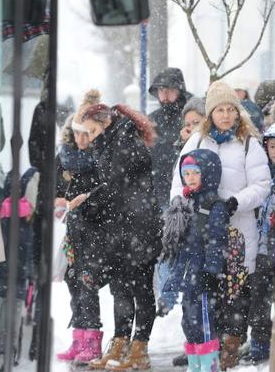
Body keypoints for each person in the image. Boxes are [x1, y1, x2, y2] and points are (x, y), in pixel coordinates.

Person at [170, 81, 270, 370]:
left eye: (230, 109)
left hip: (237, 228)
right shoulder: (198, 141)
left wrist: (235, 202)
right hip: (201, 229)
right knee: (205, 290)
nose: (225, 115)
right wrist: (182, 206)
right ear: (210, 114)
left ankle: (230, 345)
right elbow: (179, 179)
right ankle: (205, 345)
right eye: (219, 110)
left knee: (235, 292)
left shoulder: (249, 142)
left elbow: (262, 184)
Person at [79, 103, 162, 371]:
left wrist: (87, 200)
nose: (90, 138)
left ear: (105, 124)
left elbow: (117, 186)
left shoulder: (127, 141)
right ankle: (120, 343)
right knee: (120, 289)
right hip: (119, 228)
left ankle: (139, 348)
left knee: (139, 288)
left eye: (92, 131)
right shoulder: (108, 142)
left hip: (139, 228)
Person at [158, 149, 228, 372]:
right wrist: (169, 289)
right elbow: (179, 251)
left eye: (195, 172)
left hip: (204, 275)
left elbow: (216, 241)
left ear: (207, 173)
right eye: (186, 173)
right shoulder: (185, 206)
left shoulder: (213, 205)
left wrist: (211, 271)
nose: (190, 178)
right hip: (188, 274)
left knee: (204, 322)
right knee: (189, 322)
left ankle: (209, 366)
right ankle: (195, 365)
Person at [54, 89, 108, 365]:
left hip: (95, 227)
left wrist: (82, 201)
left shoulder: (99, 158)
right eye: (76, 133)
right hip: (75, 228)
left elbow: (102, 191)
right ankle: (79, 336)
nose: (80, 139)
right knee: (74, 281)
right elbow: (55, 185)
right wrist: (59, 199)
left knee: (88, 282)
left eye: (85, 133)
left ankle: (92, 339)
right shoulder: (67, 157)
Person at [242, 122, 275, 364]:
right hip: (261, 246)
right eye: (272, 146)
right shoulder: (261, 173)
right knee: (258, 298)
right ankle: (260, 342)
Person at [0, 167, 39, 369]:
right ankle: (1, 352)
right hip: (14, 271)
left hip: (7, 270)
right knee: (5, 314)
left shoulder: (4, 211)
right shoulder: (20, 218)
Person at [148, 67, 192, 207]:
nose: (165, 95)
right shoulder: (151, 120)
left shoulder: (190, 116)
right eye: (161, 90)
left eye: (170, 90)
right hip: (157, 191)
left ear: (180, 91)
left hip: (187, 187)